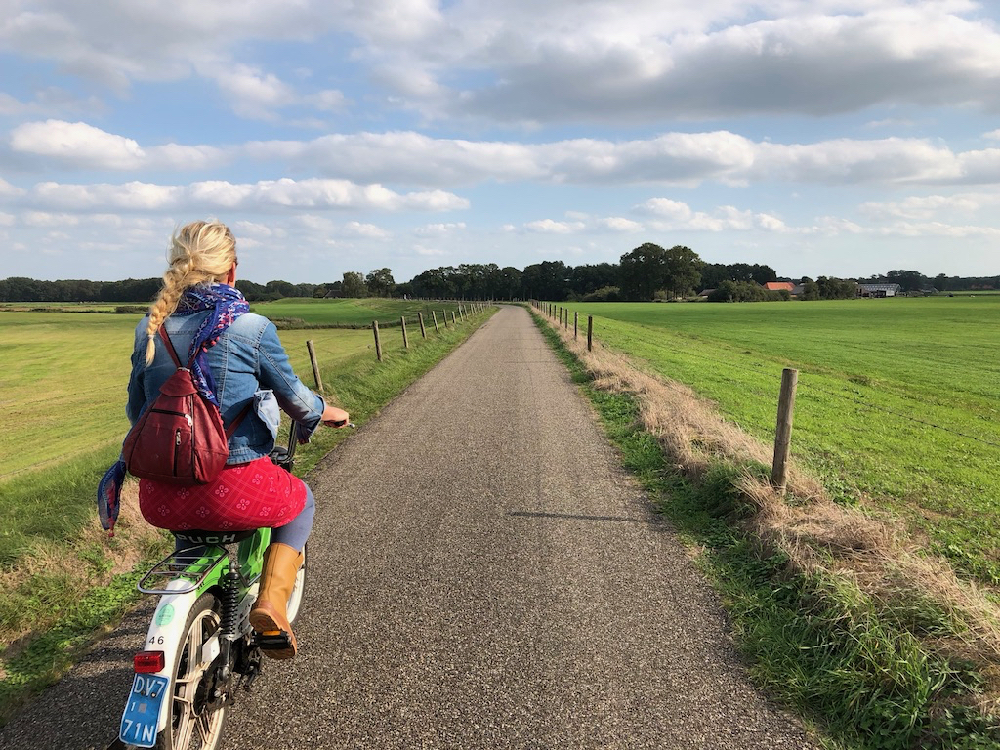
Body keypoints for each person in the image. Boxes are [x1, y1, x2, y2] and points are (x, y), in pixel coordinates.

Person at [125, 220, 349, 659]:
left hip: (162, 495)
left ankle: (191, 594)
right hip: (235, 486)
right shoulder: (251, 327)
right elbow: (297, 400)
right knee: (301, 500)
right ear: (231, 270)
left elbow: (137, 413)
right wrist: (327, 412)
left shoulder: (149, 328)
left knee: (192, 529)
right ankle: (271, 603)